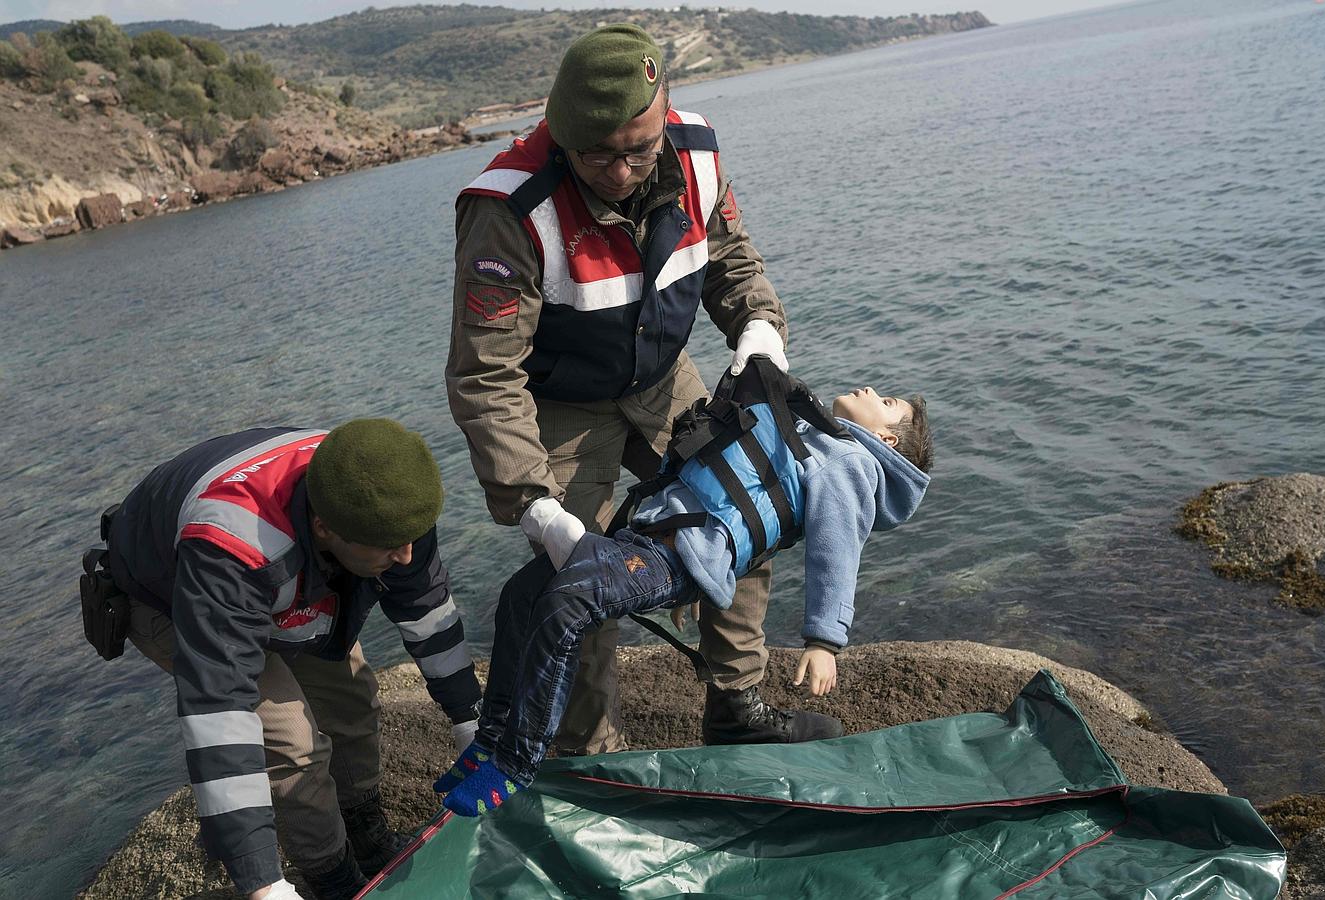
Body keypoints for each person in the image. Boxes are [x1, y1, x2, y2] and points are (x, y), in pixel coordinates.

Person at [445, 22, 836, 759]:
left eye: (637, 149)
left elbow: (729, 260)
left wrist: (758, 330)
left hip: (661, 374)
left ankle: (734, 702)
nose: (620, 172)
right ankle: (593, 757)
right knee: (584, 578)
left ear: (663, 115)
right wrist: (531, 502)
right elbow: (484, 373)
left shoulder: (694, 152)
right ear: (558, 135)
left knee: (743, 512)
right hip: (555, 400)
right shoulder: (507, 207)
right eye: (596, 154)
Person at [436, 375, 933, 817]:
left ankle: (515, 761)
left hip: (666, 559)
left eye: (886, 401)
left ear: (885, 440)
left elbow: (836, 548)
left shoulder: (850, 463)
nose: (871, 391)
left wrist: (824, 640)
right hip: (651, 539)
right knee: (522, 591)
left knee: (566, 602)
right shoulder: (810, 434)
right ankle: (491, 738)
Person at [89, 420, 481, 900]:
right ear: (324, 527)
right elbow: (219, 713)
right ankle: (331, 877)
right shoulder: (231, 548)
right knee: (293, 743)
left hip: (292, 570)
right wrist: (261, 882)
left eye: (411, 540)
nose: (406, 556)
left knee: (353, 700)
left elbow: (427, 609)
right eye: (390, 547)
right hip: (171, 592)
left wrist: (468, 719)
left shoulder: (391, 501)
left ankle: (366, 835)